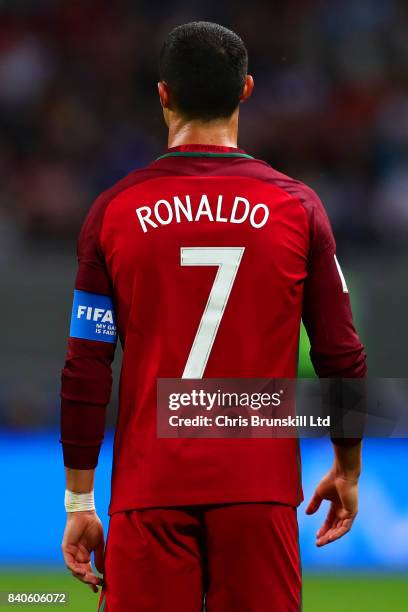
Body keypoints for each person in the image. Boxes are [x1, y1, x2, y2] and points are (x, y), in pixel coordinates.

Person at [60, 21, 366, 612]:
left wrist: (79, 500)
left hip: (149, 492)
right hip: (259, 488)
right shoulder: (296, 207)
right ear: (246, 90)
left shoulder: (115, 211)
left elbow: (85, 365)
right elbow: (342, 353)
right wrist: (346, 465)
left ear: (163, 94)